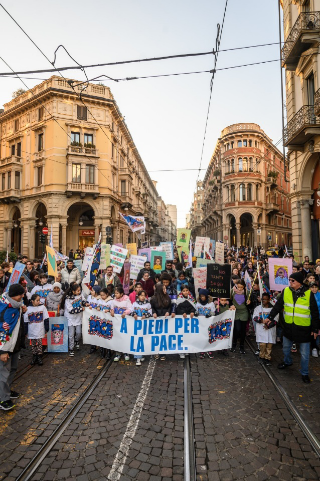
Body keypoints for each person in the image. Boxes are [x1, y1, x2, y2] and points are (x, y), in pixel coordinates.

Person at [265, 271, 319, 383]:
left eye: (292, 280)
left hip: (304, 328)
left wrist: (315, 329)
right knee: (285, 348)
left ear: (299, 282)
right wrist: (270, 317)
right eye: (289, 280)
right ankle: (287, 361)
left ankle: (304, 373)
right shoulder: (286, 291)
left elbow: (314, 313)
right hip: (289, 327)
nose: (290, 282)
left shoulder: (309, 294)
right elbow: (278, 306)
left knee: (304, 354)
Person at [0, 284, 27, 411]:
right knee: (4, 373)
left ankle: (6, 391)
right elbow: (3, 332)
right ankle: (3, 399)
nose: (23, 296)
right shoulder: (6, 310)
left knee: (12, 369)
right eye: (20, 294)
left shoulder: (16, 305)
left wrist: (23, 309)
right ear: (13, 295)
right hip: (6, 348)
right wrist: (3, 351)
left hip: (15, 345)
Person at [60, 283, 86, 357]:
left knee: (79, 333)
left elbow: (83, 300)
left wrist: (86, 303)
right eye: (78, 291)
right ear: (73, 291)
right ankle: (71, 348)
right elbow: (70, 310)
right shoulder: (68, 299)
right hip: (70, 318)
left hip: (78, 317)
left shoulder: (80, 295)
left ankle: (77, 341)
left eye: (80, 290)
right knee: (71, 334)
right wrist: (81, 308)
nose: (79, 292)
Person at [252, 293, 278, 366]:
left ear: (269, 299)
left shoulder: (273, 309)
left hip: (270, 330)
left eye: (265, 299)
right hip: (261, 330)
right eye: (263, 299)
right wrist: (261, 321)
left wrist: (269, 325)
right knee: (262, 345)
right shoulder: (258, 308)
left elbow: (276, 320)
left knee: (269, 346)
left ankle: (267, 357)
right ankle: (262, 356)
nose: (264, 301)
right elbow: (255, 317)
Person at [24, 294, 49, 366]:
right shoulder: (28, 309)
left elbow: (46, 318)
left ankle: (39, 356)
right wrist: (25, 331)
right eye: (37, 300)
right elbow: (25, 321)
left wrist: (46, 328)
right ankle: (34, 356)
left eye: (39, 300)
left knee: (39, 343)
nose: (38, 302)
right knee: (33, 343)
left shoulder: (42, 307)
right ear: (32, 301)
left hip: (40, 328)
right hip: (32, 329)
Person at [150, 283, 173, 361]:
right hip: (156, 320)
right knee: (156, 336)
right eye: (163, 289)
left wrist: (168, 312)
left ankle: (163, 353)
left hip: (165, 320)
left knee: (164, 336)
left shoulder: (168, 298)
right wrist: (153, 312)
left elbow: (169, 306)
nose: (165, 290)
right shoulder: (153, 299)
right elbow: (151, 307)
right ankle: (156, 351)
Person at [110, 287, 132, 362]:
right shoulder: (113, 301)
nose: (115, 295)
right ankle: (118, 353)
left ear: (121, 294)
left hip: (124, 322)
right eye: (115, 293)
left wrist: (125, 312)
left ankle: (126, 352)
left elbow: (130, 309)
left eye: (117, 293)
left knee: (124, 336)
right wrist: (112, 310)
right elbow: (112, 307)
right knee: (117, 337)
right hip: (116, 322)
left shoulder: (126, 300)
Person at [176, 285, 197, 359]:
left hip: (189, 320)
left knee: (187, 334)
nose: (185, 292)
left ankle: (187, 348)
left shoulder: (191, 299)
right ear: (181, 292)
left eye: (186, 290)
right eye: (183, 291)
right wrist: (182, 313)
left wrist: (192, 312)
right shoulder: (178, 299)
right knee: (181, 335)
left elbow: (194, 307)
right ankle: (181, 350)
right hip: (181, 320)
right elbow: (177, 309)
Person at [132, 290, 152, 366]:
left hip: (144, 325)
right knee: (137, 339)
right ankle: (138, 357)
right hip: (136, 325)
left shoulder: (148, 304)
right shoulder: (134, 303)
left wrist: (145, 316)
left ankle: (141, 355)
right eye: (141, 295)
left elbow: (150, 312)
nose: (142, 297)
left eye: (144, 295)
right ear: (138, 296)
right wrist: (134, 314)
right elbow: (131, 310)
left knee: (143, 339)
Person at [230, 279, 249, 354]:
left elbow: (249, 303)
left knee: (242, 330)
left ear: (244, 286)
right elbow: (230, 300)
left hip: (244, 312)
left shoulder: (247, 292)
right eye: (239, 287)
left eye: (241, 287)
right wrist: (231, 305)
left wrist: (249, 302)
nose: (240, 289)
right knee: (237, 329)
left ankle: (242, 346)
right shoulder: (232, 291)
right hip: (236, 312)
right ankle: (234, 344)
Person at [196, 289, 215, 360]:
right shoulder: (198, 303)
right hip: (201, 323)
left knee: (208, 336)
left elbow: (213, 312)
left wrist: (210, 314)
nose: (202, 298)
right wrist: (196, 313)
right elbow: (196, 311)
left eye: (203, 296)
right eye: (201, 296)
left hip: (208, 322)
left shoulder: (211, 304)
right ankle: (202, 351)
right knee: (202, 336)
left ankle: (209, 350)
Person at [309, 282, 320, 358]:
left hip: (319, 317)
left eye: (315, 287)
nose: (314, 289)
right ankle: (314, 348)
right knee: (313, 334)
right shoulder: (308, 296)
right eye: (312, 287)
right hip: (310, 318)